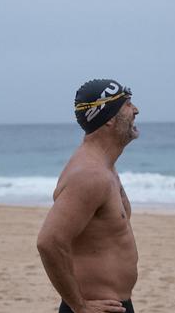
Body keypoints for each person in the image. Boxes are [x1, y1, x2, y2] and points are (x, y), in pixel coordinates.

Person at [37, 79, 139, 313]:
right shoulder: (90, 176)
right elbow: (49, 242)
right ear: (109, 118)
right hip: (98, 306)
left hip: (115, 304)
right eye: (127, 104)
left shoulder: (105, 166)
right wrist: (79, 307)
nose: (136, 110)